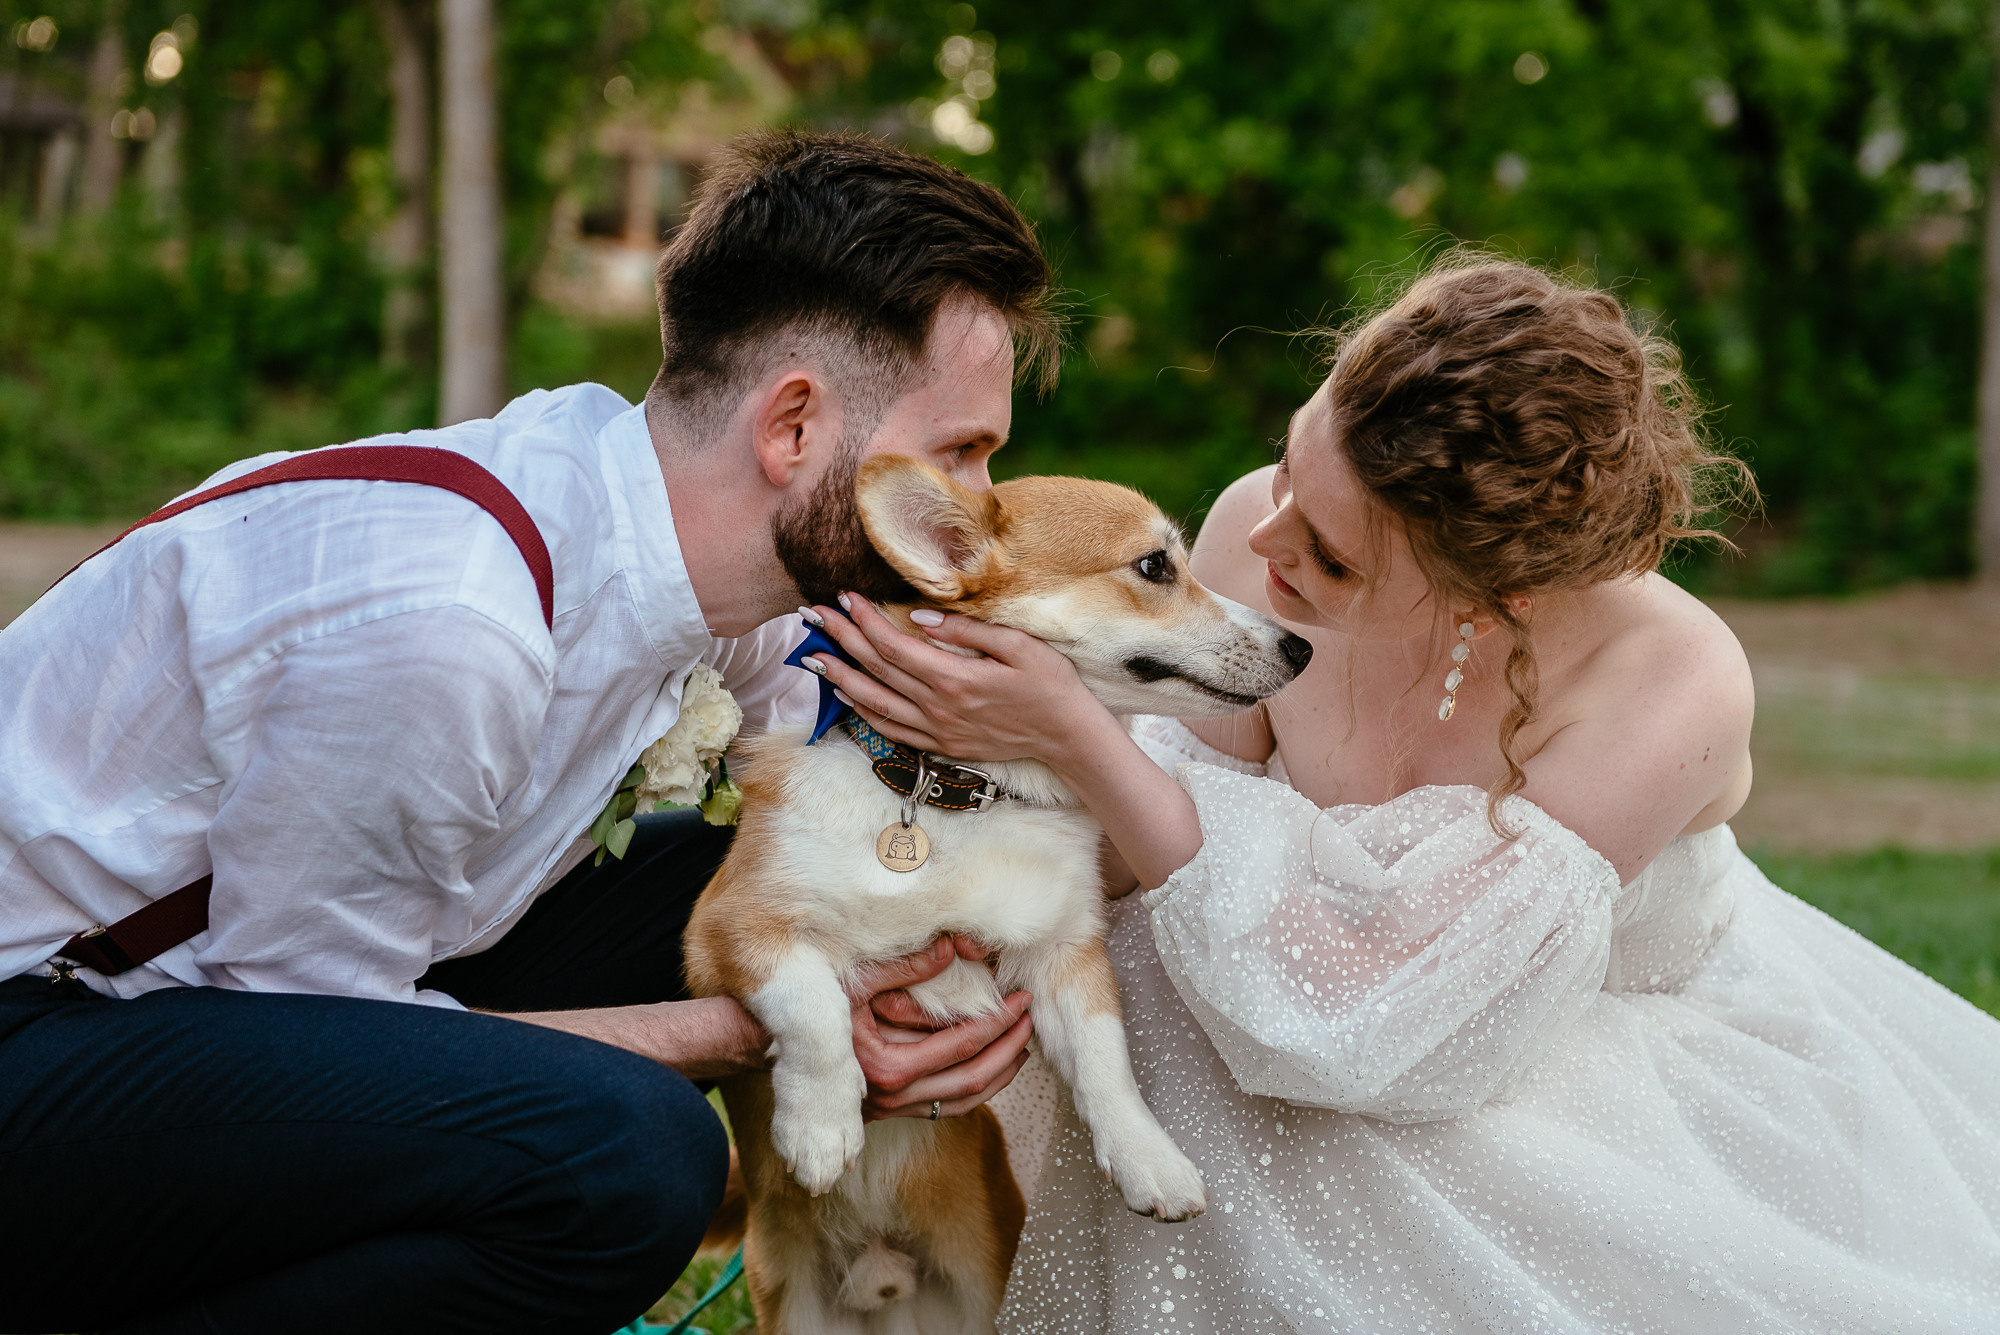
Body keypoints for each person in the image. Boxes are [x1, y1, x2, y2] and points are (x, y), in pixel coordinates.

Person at [809, 257, 2000, 1332]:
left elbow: (1375, 1028)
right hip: (1279, 1014)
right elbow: (1140, 867)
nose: (1264, 541)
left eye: (1331, 557)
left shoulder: (1666, 681)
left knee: (1257, 1074)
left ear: (1497, 592)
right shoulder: (1256, 526)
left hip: (1528, 1069)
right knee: (1160, 987)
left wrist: (1075, 736)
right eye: (1288, 463)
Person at [0, 130, 1054, 1335]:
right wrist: (780, 1029)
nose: (982, 511)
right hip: (46, 1024)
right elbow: (305, 1024)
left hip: (244, 982)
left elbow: (842, 789)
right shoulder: (455, 627)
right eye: (960, 454)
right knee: (622, 1157)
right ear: (793, 429)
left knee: (766, 870)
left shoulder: (649, 518)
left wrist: (1026, 786)